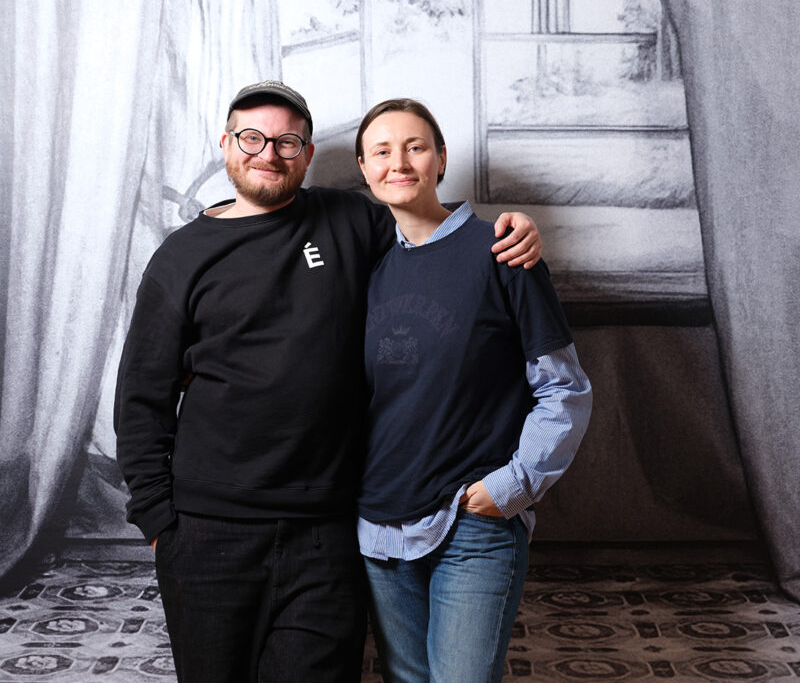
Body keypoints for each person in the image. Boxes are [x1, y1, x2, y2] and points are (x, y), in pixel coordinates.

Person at [114, 80, 543, 683]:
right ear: (226, 145)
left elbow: (428, 229)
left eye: (287, 142)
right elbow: (142, 398)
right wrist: (159, 522)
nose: (268, 153)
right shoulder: (181, 256)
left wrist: (506, 228)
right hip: (208, 530)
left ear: (308, 154)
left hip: (328, 531)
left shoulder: (348, 220)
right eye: (251, 138)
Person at [354, 98, 593, 683]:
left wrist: (513, 486)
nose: (398, 162)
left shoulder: (502, 250)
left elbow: (563, 389)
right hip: (378, 528)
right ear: (363, 169)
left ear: (440, 158)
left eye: (414, 147)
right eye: (381, 151)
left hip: (472, 523)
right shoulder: (367, 269)